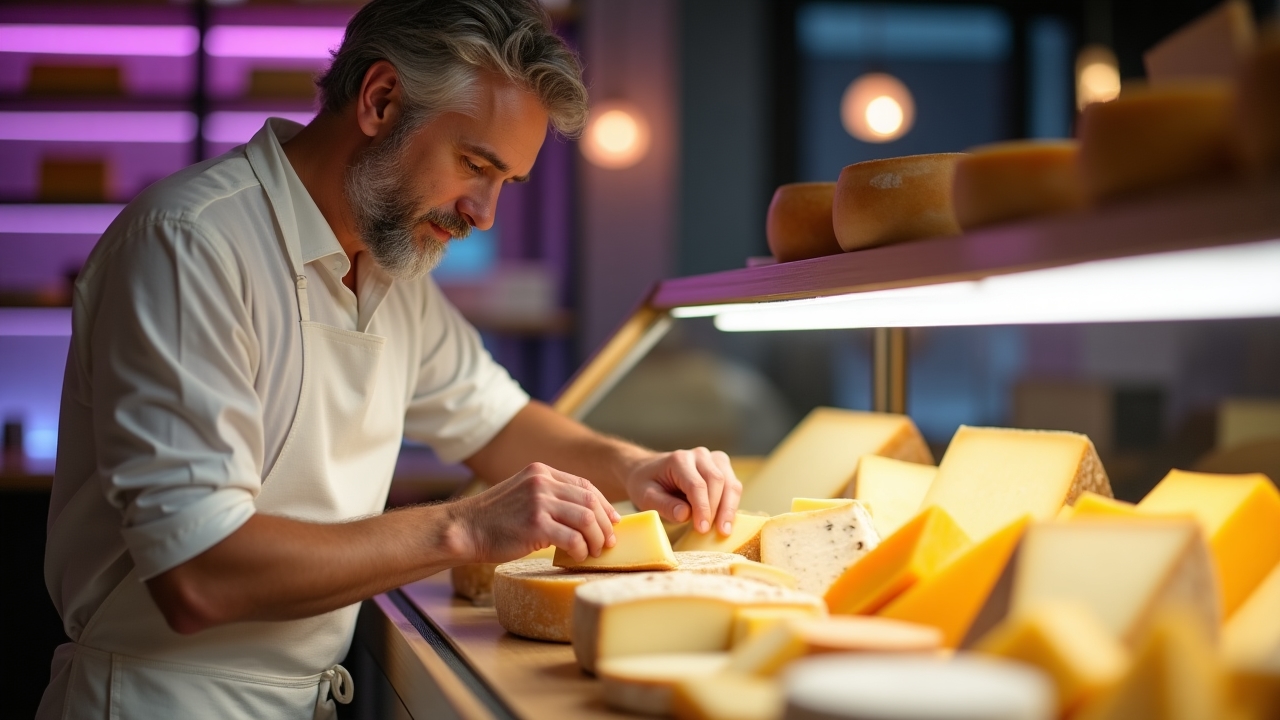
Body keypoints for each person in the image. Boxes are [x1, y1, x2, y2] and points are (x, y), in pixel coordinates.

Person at [37, 1, 741, 717]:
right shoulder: (190, 244)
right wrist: (462, 527)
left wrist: (633, 467)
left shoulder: (392, 271)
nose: (485, 213)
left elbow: (495, 422)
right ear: (379, 100)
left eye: (507, 183)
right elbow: (197, 574)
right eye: (475, 165)